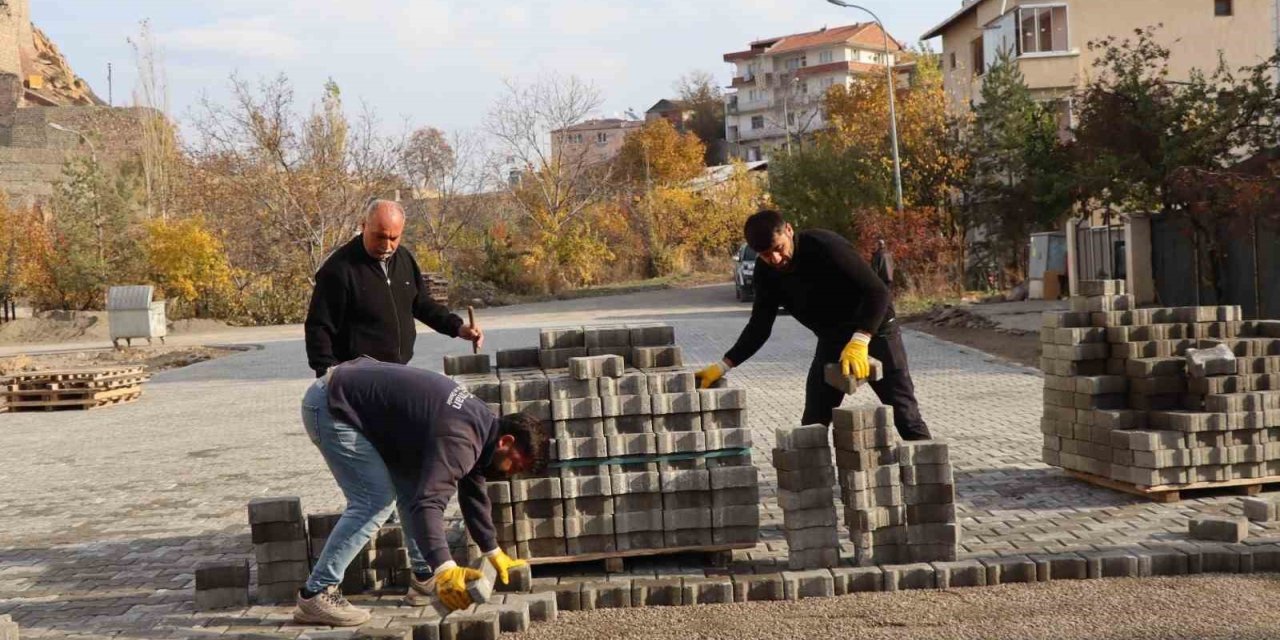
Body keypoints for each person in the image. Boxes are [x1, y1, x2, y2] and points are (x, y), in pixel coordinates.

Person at [292, 357, 551, 626]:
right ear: (506, 442)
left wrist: (492, 549)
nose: (510, 474)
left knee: (410, 486)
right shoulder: (461, 439)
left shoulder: (483, 426)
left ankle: (424, 577)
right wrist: (446, 568)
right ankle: (317, 593)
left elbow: (473, 492)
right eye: (515, 466)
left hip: (351, 396)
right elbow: (429, 503)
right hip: (332, 406)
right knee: (374, 501)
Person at [696, 210, 931, 441]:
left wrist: (860, 340)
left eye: (778, 249)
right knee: (812, 425)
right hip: (833, 341)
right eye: (766, 255)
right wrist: (724, 365)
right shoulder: (766, 273)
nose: (775, 260)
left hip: (876, 332)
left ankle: (933, 477)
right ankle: (812, 479)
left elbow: (878, 292)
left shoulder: (825, 246)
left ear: (788, 230)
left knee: (906, 418)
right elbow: (759, 327)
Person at [305, 199, 483, 378]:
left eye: (393, 238)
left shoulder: (404, 258)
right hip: (357, 377)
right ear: (364, 225)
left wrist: (457, 327)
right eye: (380, 237)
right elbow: (319, 326)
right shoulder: (339, 269)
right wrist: (327, 374)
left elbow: (421, 304)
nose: (386, 246)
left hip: (398, 371)